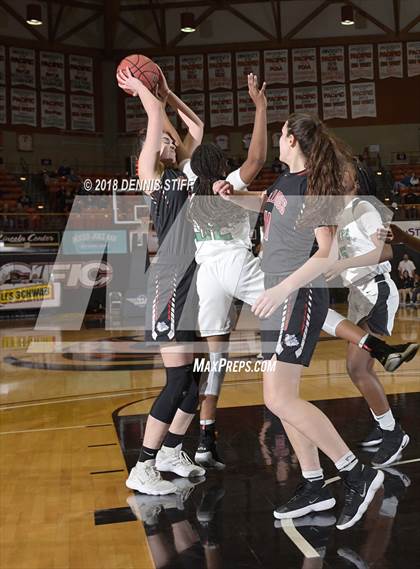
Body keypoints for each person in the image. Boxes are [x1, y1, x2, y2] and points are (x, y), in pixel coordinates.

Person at [218, 113, 384, 530]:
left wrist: (279, 290)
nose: (277, 139)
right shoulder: (283, 182)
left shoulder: (315, 185)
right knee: (282, 399)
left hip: (298, 296)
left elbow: (325, 253)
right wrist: (231, 197)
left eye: (281, 133)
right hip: (277, 296)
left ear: (292, 139)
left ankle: (356, 472)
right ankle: (314, 484)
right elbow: (265, 204)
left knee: (279, 400)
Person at [117, 66, 205, 495]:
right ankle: (143, 465)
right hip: (168, 285)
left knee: (197, 377)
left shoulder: (183, 171)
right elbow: (155, 124)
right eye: (163, 141)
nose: (171, 140)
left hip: (192, 283)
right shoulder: (151, 175)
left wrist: (168, 95)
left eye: (171, 141)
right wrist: (142, 93)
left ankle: (171, 450)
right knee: (176, 381)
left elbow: (197, 126)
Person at [325, 192, 410, 467]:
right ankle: (384, 421)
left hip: (376, 289)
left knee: (357, 368)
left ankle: (393, 433)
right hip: (358, 293)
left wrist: (341, 264)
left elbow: (385, 251)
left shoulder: (363, 206)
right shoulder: (340, 215)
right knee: (363, 369)